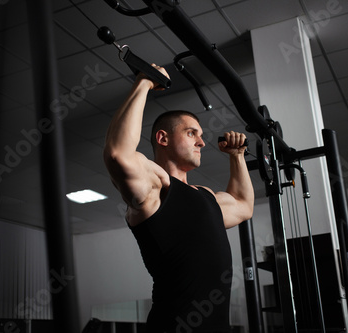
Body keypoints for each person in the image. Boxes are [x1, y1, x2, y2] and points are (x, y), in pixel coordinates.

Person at [103, 64, 254, 332]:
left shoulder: (206, 196)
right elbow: (118, 154)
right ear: (163, 138)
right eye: (191, 133)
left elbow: (243, 206)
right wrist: (145, 83)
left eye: (201, 136)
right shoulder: (156, 188)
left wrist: (237, 156)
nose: (201, 142)